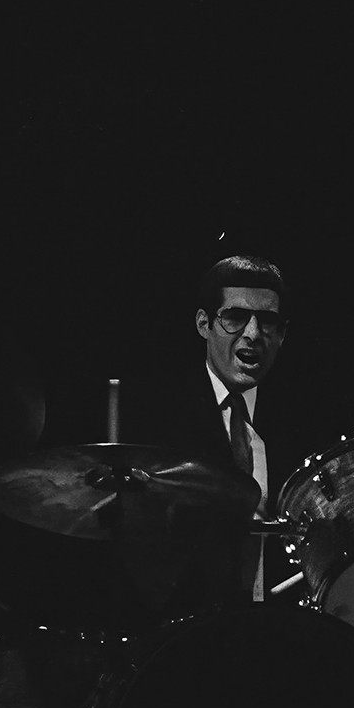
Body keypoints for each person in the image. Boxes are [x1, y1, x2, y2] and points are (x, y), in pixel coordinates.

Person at [132, 254, 294, 613]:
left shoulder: (300, 419)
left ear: (282, 335)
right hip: (183, 622)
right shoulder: (158, 417)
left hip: (276, 621)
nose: (253, 334)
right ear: (204, 324)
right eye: (235, 317)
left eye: (267, 321)